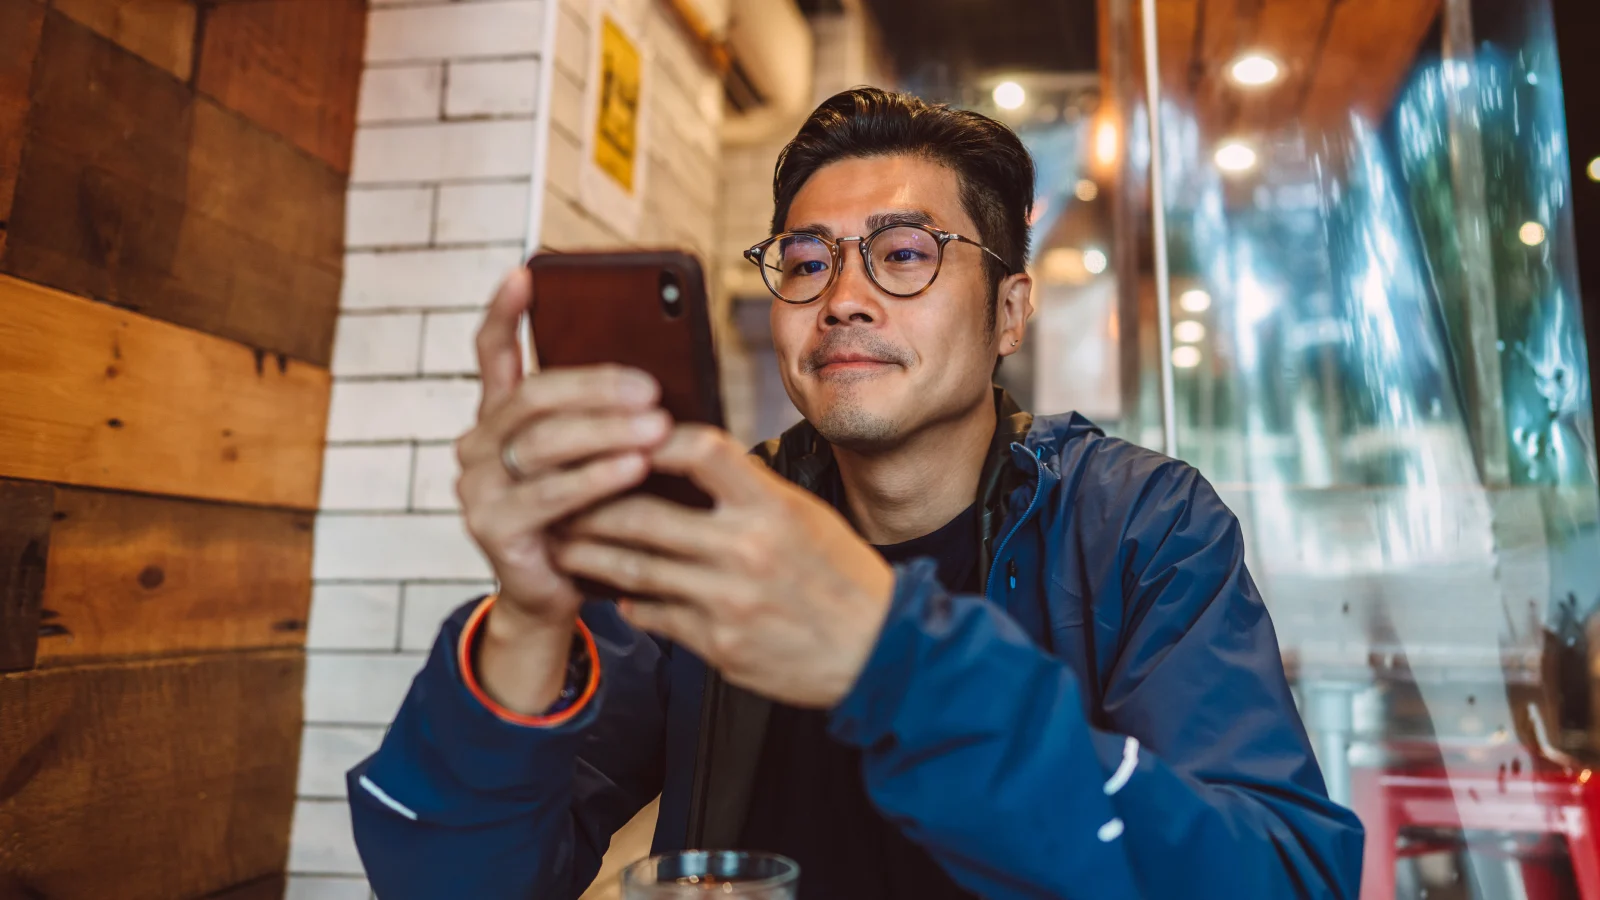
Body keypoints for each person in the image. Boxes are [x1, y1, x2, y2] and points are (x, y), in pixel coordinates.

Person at [348, 87, 1365, 899]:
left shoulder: (1142, 524)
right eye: (805, 260)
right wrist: (528, 615)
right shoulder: (715, 527)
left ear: (1010, 312)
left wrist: (894, 659)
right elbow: (454, 877)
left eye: (905, 253)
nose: (842, 296)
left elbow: (1279, 872)